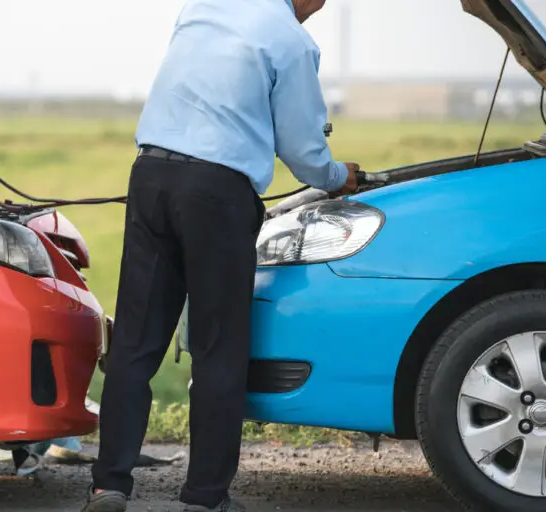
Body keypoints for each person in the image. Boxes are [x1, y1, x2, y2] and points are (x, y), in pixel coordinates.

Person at [82, 0, 358, 510]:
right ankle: (205, 495)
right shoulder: (292, 42)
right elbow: (301, 148)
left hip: (150, 176)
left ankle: (110, 484)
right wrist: (338, 177)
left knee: (136, 343)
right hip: (217, 192)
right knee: (219, 348)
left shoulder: (203, 7)